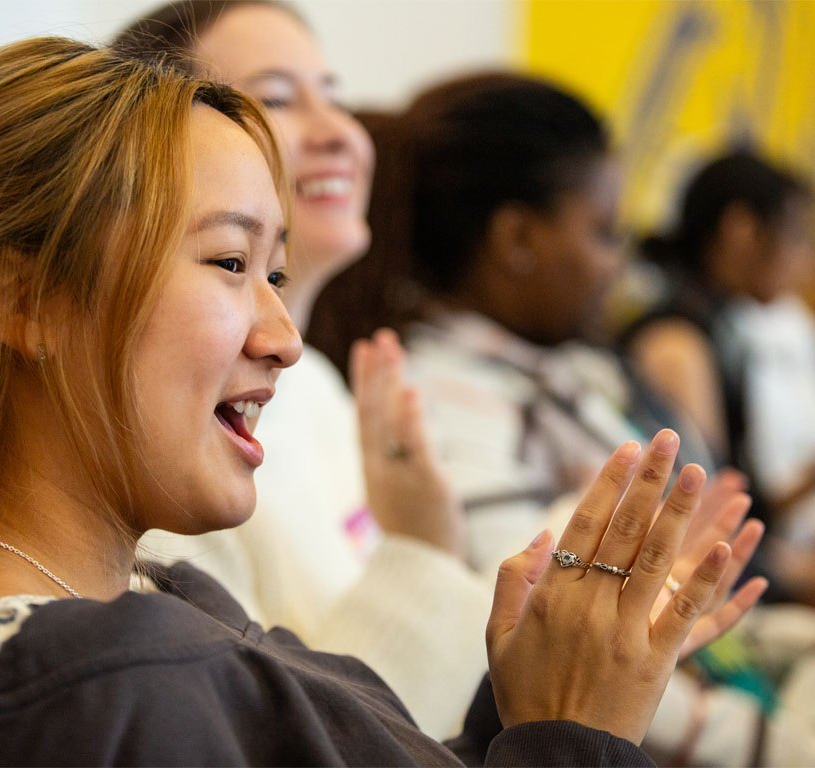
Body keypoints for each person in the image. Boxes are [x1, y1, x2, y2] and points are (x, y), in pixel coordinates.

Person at [0, 36, 744, 768]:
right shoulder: (74, 683)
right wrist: (575, 734)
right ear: (25, 298)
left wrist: (542, 698)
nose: (284, 337)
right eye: (229, 262)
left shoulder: (148, 616)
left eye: (277, 273)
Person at [305, 73, 814, 765]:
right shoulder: (441, 399)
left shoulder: (573, 368)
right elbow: (542, 640)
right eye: (604, 231)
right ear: (517, 238)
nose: (620, 263)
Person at [114, 0, 486, 739]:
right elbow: (271, 738)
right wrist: (422, 553)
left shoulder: (315, 382)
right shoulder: (161, 435)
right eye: (279, 97)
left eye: (335, 95)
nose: (342, 133)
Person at [621, 150, 815, 604]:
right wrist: (793, 575)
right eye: (798, 235)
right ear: (741, 228)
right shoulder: (677, 344)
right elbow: (698, 518)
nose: (804, 258)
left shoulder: (719, 328)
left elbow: (730, 493)